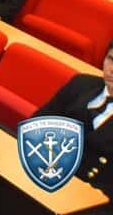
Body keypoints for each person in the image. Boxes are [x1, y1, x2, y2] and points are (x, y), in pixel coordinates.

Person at [33, 40, 113, 197]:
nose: (112, 69)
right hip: (45, 169)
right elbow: (37, 124)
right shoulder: (81, 84)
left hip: (90, 196)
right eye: (111, 59)